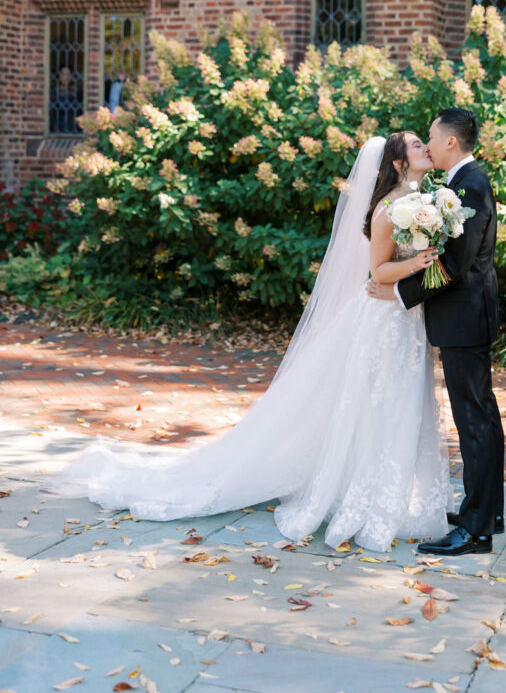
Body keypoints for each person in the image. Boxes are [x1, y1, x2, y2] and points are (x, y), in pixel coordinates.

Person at [48, 134, 451, 552]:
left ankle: (397, 497)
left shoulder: (424, 202)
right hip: (383, 322)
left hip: (405, 319)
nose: (425, 146)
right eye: (417, 144)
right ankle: (365, 499)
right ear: (399, 163)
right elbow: (378, 271)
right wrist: (418, 263)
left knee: (401, 405)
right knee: (378, 406)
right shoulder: (389, 208)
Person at [368, 108, 504, 556]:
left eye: (431, 135)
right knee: (477, 417)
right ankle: (486, 512)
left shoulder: (470, 185)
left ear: (450, 142)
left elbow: (452, 266)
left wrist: (400, 294)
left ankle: (476, 529)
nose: (427, 142)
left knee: (474, 421)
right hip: (464, 318)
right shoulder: (461, 184)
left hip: (466, 318)